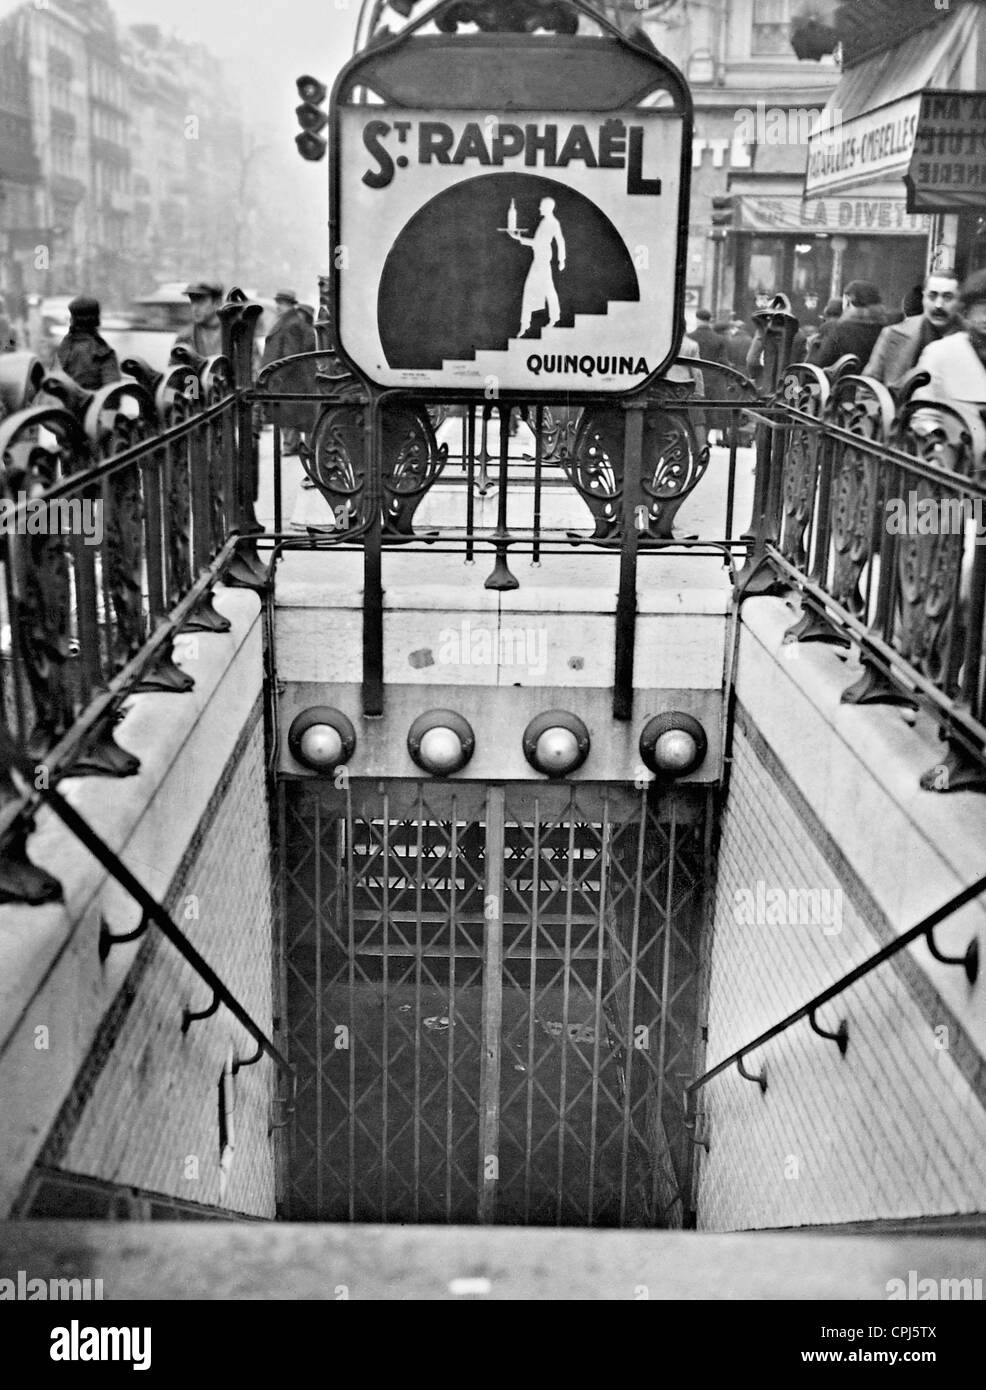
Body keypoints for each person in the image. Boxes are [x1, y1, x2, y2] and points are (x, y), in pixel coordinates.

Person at [912, 269, 986, 461]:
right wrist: (937, 447)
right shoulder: (940, 352)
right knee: (915, 493)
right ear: (967, 312)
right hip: (953, 468)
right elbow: (922, 413)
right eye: (982, 308)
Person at [863, 272, 960, 387]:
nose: (938, 305)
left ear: (960, 301)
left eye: (947, 297)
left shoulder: (972, 339)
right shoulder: (893, 334)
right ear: (923, 298)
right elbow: (868, 390)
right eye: (932, 296)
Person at [261, 288, 317, 458]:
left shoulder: (291, 323)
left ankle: (292, 445)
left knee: (289, 412)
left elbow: (290, 355)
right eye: (278, 303)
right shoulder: (292, 321)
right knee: (293, 413)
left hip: (289, 379)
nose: (277, 307)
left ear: (288, 305)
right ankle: (294, 444)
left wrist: (277, 376)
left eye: (280, 303)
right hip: (292, 378)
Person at [508, 196, 566, 336]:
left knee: (539, 289)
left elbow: (560, 241)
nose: (539, 208)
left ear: (547, 208)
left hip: (543, 259)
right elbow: (537, 242)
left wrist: (561, 259)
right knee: (545, 289)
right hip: (539, 258)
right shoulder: (544, 222)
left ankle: (530, 323)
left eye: (541, 206)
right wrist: (519, 238)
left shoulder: (552, 223)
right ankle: (543, 320)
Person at [807, 281, 887, 370]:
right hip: (871, 383)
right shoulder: (885, 329)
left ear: (849, 301)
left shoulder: (840, 329)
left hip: (840, 382)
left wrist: (814, 346)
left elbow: (819, 362)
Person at [55, 296, 121, 391]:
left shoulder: (64, 347)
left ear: (72, 319)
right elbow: (111, 395)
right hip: (91, 404)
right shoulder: (103, 352)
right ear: (96, 319)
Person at [174, 280, 224, 358]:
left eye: (201, 301)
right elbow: (176, 368)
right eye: (193, 301)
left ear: (217, 303)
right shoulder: (185, 337)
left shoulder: (235, 334)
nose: (194, 308)